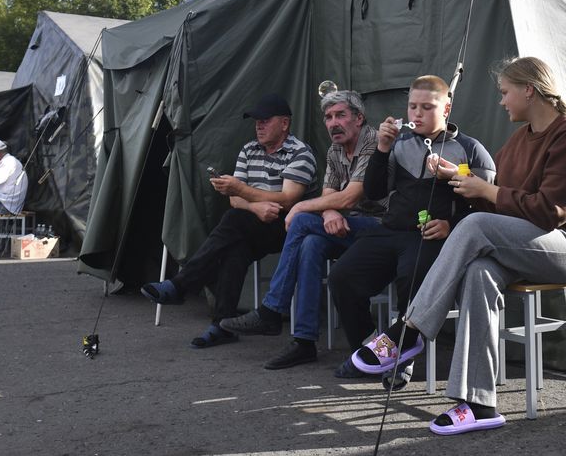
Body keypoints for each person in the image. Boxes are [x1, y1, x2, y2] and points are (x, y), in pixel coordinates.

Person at [364, 57, 566, 435]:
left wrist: (485, 189)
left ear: (529, 90)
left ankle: (408, 330)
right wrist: (457, 176)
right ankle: (479, 403)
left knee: (476, 226)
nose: (501, 101)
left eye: (505, 92)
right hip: (523, 242)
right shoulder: (519, 139)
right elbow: (499, 200)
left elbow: (552, 210)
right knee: (479, 272)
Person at [328, 75, 495, 381]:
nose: (416, 114)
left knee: (413, 276)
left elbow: (487, 207)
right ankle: (375, 349)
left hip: (432, 236)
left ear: (446, 109)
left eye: (426, 107)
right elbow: (375, 191)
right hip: (390, 231)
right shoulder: (399, 145)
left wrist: (451, 226)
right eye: (412, 107)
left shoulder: (470, 149)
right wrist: (381, 148)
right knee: (341, 277)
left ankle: (402, 358)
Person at [219, 90, 385, 369]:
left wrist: (300, 207)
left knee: (301, 220)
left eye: (341, 115)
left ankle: (272, 309)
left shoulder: (373, 141)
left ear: (359, 118)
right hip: (348, 226)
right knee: (310, 243)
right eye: (328, 117)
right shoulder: (335, 149)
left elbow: (350, 197)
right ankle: (305, 342)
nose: (333, 123)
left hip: (381, 228)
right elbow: (331, 194)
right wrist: (328, 210)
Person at [140, 94, 318, 348]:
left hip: (290, 225)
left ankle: (182, 284)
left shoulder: (300, 153)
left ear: (285, 124)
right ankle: (221, 324)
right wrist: (254, 207)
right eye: (257, 121)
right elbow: (235, 200)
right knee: (236, 246)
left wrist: (241, 191)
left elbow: (288, 199)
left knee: (235, 221)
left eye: (265, 121)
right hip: (254, 221)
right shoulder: (249, 150)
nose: (259, 126)